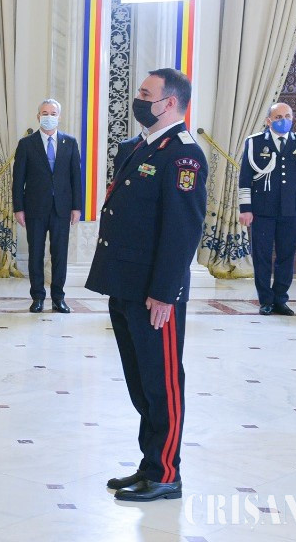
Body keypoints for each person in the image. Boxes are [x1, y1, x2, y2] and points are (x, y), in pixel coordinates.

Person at [87, 68, 207, 503]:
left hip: (155, 292)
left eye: (145, 93)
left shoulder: (183, 156)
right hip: (126, 284)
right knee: (141, 383)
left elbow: (182, 230)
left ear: (169, 103)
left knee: (163, 383)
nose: (138, 98)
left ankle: (166, 474)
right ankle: (150, 463)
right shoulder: (140, 147)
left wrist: (165, 292)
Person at [238, 102, 296, 316]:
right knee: (262, 257)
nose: (284, 120)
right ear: (268, 121)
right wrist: (245, 208)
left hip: (292, 210)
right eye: (278, 117)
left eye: (288, 116)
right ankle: (265, 300)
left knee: (286, 257)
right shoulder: (255, 142)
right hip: (262, 210)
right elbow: (245, 178)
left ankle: (280, 299)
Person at [12, 99, 84, 313]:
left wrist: (77, 207)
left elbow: (76, 177)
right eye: (45, 113)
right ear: (38, 117)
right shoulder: (26, 144)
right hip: (35, 208)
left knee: (59, 254)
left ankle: (58, 297)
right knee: (36, 253)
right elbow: (18, 179)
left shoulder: (70, 142)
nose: (49, 117)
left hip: (62, 208)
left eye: (53, 113)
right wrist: (18, 208)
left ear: (59, 117)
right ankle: (37, 297)